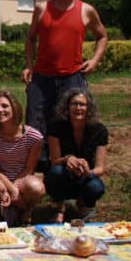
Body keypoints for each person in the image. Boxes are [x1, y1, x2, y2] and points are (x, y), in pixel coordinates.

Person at [22, 0, 108, 160]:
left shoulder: (87, 10)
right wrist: (29, 65)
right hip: (42, 77)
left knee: (75, 120)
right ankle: (39, 164)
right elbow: (30, 38)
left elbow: (102, 36)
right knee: (36, 122)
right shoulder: (41, 8)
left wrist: (95, 60)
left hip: (72, 76)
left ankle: (74, 161)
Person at [0, 91, 45, 226]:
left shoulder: (34, 137)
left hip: (23, 179)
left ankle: (26, 212)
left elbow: (29, 168)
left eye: (5, 106)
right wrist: (9, 189)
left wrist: (15, 188)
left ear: (14, 108)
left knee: (37, 187)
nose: (0, 110)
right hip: (0, 179)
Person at [44, 89, 107, 222]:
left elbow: (100, 168)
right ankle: (59, 208)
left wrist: (88, 172)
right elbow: (54, 161)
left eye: (82, 104)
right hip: (63, 173)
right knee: (56, 172)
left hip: (85, 175)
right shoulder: (55, 126)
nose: (78, 108)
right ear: (67, 106)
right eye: (74, 104)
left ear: (89, 108)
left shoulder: (100, 130)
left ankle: (84, 205)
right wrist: (67, 159)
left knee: (96, 186)